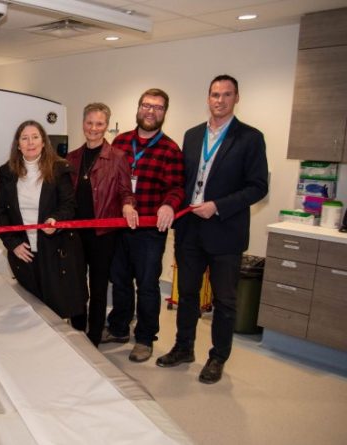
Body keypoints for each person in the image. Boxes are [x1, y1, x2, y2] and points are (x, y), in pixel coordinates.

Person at [156, 75, 268, 384]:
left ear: (236, 98)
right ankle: (183, 348)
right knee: (187, 293)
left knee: (225, 301)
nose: (220, 100)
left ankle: (218, 358)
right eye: (215, 94)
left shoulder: (250, 138)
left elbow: (258, 187)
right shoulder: (192, 135)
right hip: (190, 228)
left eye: (226, 94)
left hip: (225, 230)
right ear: (208, 98)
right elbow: (182, 179)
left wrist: (217, 205)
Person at [101, 88, 184, 364]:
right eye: (147, 106)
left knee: (147, 286)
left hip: (149, 231)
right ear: (138, 108)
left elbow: (176, 187)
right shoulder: (120, 142)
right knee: (120, 281)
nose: (151, 111)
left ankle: (146, 338)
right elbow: (110, 181)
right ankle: (118, 328)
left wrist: (169, 205)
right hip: (120, 226)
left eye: (158, 108)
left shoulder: (170, 149)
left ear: (164, 113)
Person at [0, 120, 83, 320]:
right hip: (23, 252)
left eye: (35, 137)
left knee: (56, 306)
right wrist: (12, 244)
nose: (30, 142)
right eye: (24, 138)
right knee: (30, 307)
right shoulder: (7, 173)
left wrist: (55, 220)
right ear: (18, 144)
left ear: (44, 142)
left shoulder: (59, 169)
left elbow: (69, 205)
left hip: (54, 249)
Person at [65, 103, 136, 346]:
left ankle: (94, 336)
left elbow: (126, 191)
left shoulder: (117, 158)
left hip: (102, 234)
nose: (94, 128)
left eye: (99, 124)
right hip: (75, 232)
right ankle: (76, 329)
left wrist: (128, 206)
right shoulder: (72, 158)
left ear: (106, 126)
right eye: (89, 123)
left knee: (97, 287)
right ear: (83, 124)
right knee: (75, 284)